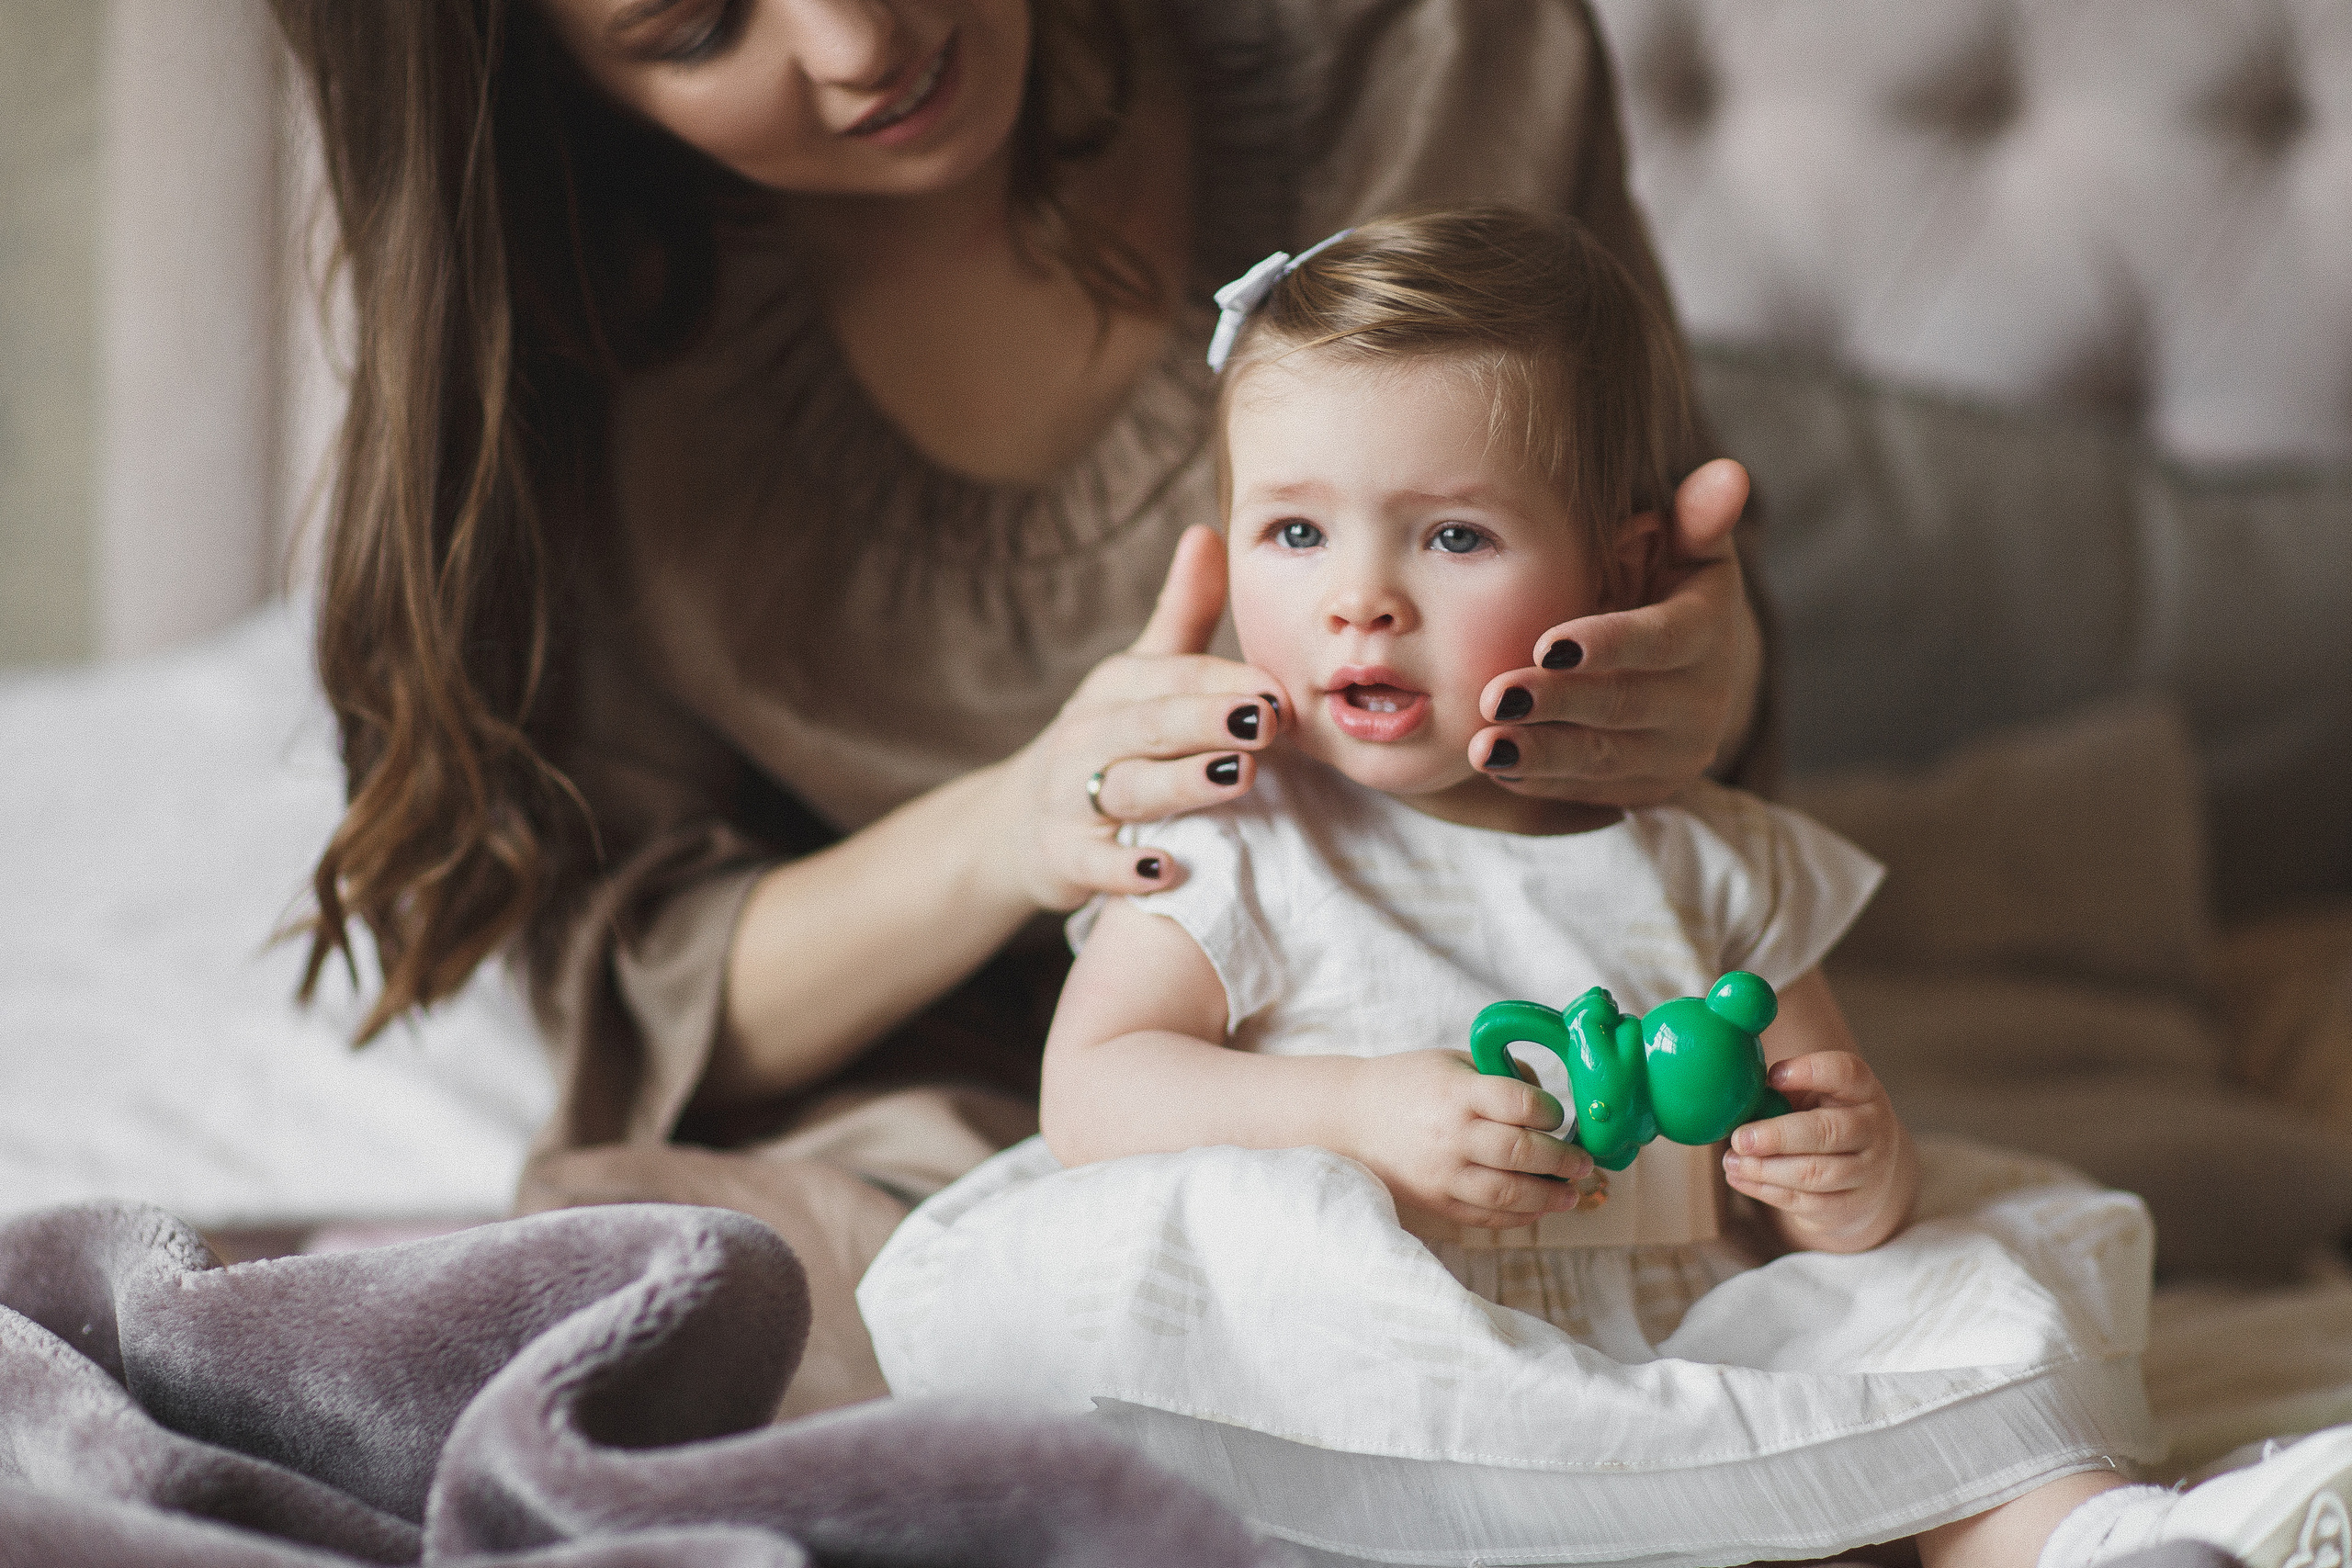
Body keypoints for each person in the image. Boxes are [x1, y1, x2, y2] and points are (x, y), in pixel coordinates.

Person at [266, 0, 1770, 1416]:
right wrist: (1015, 826)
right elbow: (637, 993)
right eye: (691, 23)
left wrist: (1697, 673)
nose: (859, 41)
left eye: (1441, 537)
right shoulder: (584, 335)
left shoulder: (1429, 59)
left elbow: (1684, 715)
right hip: (926, 1106)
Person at [857, 209, 2352, 1568]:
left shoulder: (1706, 854)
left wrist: (1846, 1174)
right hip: (1383, 1346)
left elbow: (1814, 1134)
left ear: (1619, 566)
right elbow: (1099, 1093)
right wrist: (1354, 1116)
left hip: (1683, 1332)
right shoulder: (1246, 834)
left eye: (1451, 535)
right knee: (1204, 1306)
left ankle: (2097, 1545)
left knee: (1960, 1288)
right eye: (1295, 530)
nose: (1357, 596)